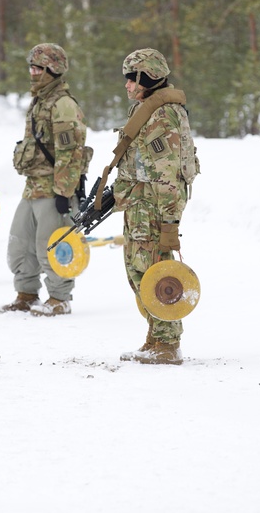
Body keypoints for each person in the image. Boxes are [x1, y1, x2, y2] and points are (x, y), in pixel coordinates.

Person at [112, 48, 199, 364]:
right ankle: (156, 336)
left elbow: (165, 172)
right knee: (139, 271)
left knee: (154, 271)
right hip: (140, 204)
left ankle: (167, 343)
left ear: (144, 76)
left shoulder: (162, 115)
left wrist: (168, 222)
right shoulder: (148, 109)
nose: (127, 86)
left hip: (154, 208)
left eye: (130, 79)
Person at [0, 43, 90, 316]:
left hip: (53, 190)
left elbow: (70, 153)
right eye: (32, 67)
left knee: (52, 245)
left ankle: (60, 298)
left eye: (38, 68)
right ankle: (26, 294)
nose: (33, 73)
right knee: (20, 244)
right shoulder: (41, 101)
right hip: (33, 187)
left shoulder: (62, 105)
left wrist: (63, 193)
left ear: (53, 70)